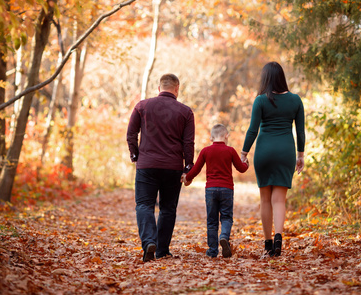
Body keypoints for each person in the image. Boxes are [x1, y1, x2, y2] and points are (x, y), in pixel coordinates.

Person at [126, 73, 195, 262]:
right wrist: (188, 168)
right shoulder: (186, 112)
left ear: (159, 88)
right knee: (168, 208)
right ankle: (162, 249)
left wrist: (135, 155)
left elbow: (131, 134)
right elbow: (188, 143)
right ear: (177, 89)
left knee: (144, 205)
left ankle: (149, 241)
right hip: (173, 167)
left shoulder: (142, 106)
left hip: (146, 165)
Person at [240, 62, 305, 257]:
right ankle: (278, 237)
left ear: (266, 79)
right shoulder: (295, 100)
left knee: (265, 199)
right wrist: (300, 155)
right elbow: (300, 132)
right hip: (286, 151)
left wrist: (244, 153)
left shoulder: (260, 100)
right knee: (279, 200)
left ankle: (268, 243)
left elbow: (253, 129)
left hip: (264, 151)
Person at [182, 124, 249, 258]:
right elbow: (241, 168)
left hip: (211, 190)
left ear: (211, 137)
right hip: (227, 189)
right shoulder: (230, 150)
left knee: (212, 221)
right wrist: (246, 163)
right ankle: (224, 237)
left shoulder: (206, 151)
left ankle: (213, 250)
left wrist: (186, 177)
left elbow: (196, 169)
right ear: (226, 136)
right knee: (226, 217)